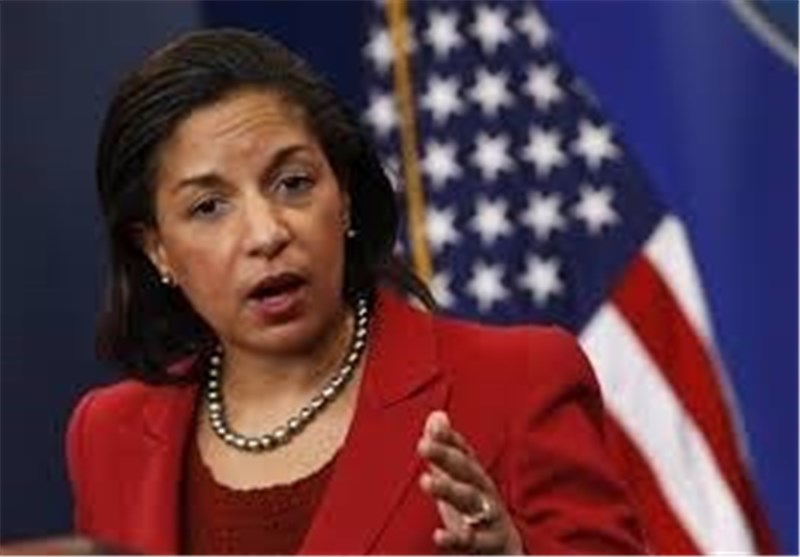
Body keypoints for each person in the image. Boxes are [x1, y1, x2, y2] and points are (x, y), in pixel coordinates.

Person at [67, 28, 645, 555]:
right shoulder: (108, 435)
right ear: (157, 249)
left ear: (342, 194)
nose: (266, 234)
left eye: (294, 183)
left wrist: (516, 552)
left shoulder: (517, 380)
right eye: (209, 207)